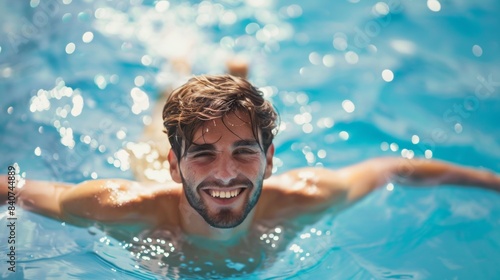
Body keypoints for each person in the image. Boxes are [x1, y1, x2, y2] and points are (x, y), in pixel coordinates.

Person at [2, 74, 500, 244]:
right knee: (155, 126)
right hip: (149, 173)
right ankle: (175, 75)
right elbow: (20, 188)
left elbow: (390, 168)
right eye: (200, 156)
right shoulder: (117, 206)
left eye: (245, 153)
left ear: (270, 160)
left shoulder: (307, 199)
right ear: (176, 167)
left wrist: (491, 180)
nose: (225, 173)